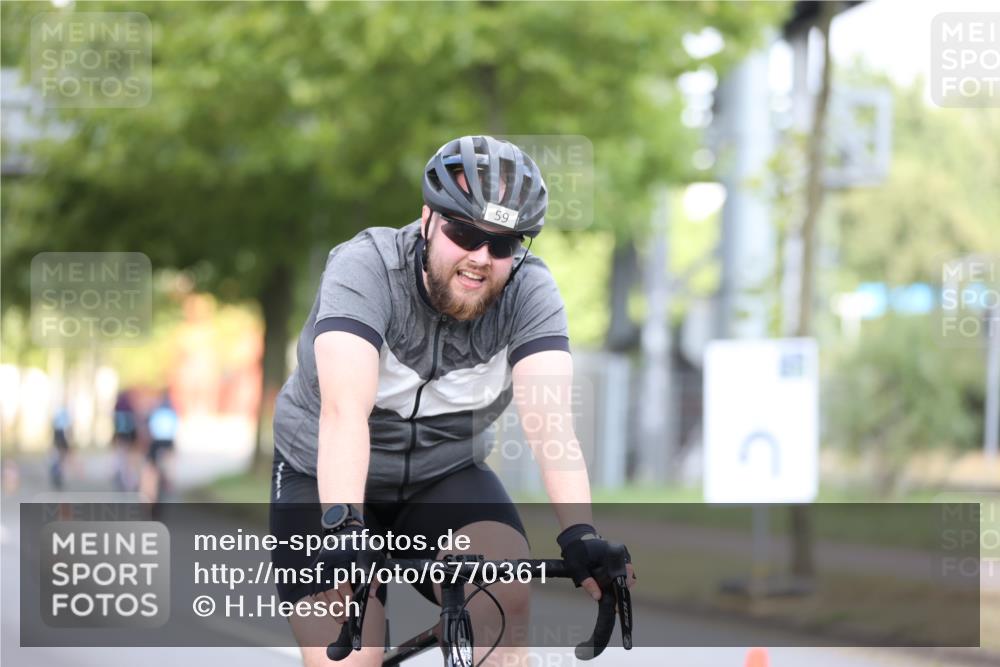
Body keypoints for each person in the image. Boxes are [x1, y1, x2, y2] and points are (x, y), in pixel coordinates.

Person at [269, 135, 636, 667]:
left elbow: (551, 424)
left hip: (444, 475)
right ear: (427, 220)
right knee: (349, 654)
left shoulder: (529, 293)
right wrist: (345, 525)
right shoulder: (365, 269)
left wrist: (580, 532)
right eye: (463, 232)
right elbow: (344, 413)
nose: (480, 257)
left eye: (503, 244)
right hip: (321, 474)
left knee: (503, 596)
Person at [111, 389, 140, 492]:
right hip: (129, 435)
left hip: (121, 435)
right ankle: (129, 480)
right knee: (129, 459)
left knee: (121, 456)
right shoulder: (130, 407)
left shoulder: (117, 407)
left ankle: (122, 477)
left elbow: (115, 422)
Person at [49, 405, 72, 490]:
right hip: (60, 438)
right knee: (60, 459)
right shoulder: (63, 415)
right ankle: (57, 474)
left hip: (59, 438)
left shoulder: (61, 415)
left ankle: (57, 474)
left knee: (60, 459)